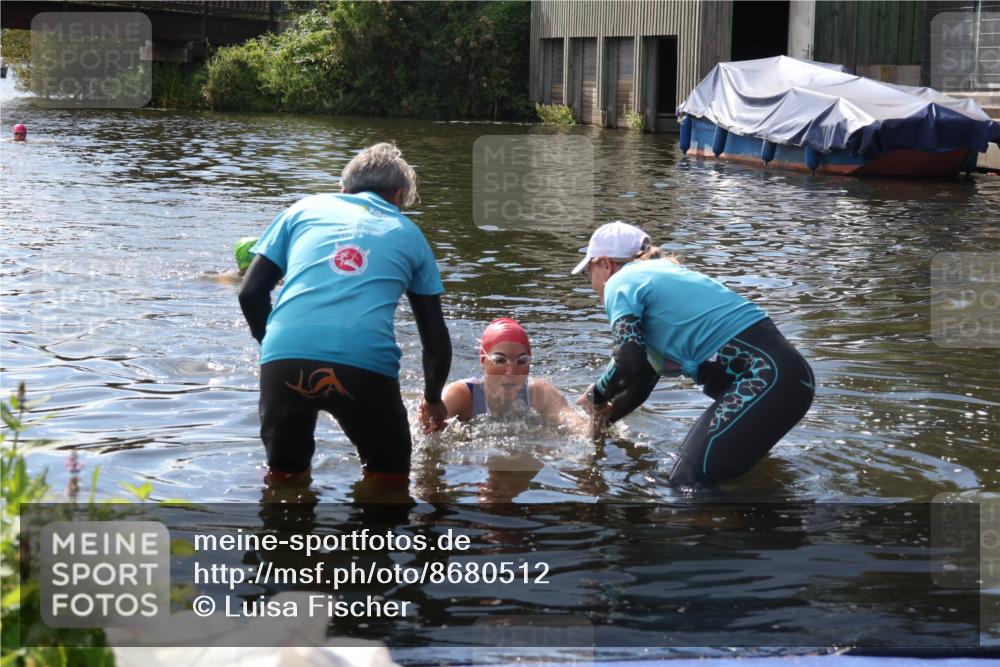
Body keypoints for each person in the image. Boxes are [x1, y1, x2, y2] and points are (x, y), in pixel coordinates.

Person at [239, 142, 451, 489]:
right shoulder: (410, 235)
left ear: (343, 189)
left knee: (284, 478)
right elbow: (435, 338)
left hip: (285, 360)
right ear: (398, 196)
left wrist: (276, 347)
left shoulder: (302, 210)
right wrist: (431, 399)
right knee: (389, 479)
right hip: (364, 368)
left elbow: (250, 292)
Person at [572, 221, 815, 486]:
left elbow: (627, 362)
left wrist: (597, 393)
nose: (593, 284)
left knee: (687, 481)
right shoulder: (662, 281)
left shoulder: (621, 281)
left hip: (766, 379)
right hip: (789, 380)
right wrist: (598, 424)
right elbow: (638, 380)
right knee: (737, 482)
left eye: (589, 273)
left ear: (605, 264)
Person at [422, 318, 581, 431]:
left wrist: (598, 417)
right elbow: (424, 427)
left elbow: (577, 427)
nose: (511, 372)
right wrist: (430, 424)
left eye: (521, 361)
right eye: (500, 360)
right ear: (483, 360)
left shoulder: (539, 392)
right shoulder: (462, 395)